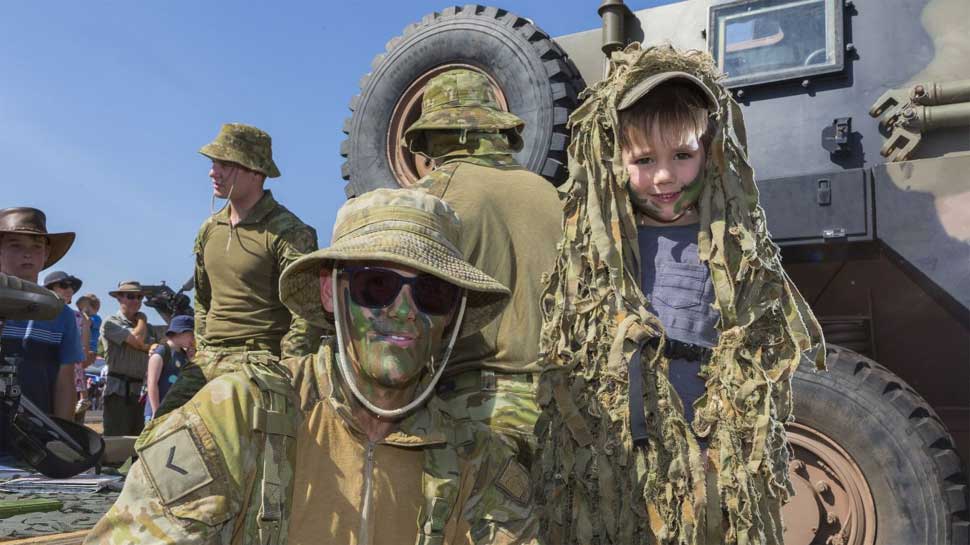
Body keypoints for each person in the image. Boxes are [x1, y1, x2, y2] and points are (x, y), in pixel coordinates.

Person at [86, 189, 537, 544]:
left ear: (451, 316)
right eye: (377, 284)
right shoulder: (241, 416)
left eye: (431, 294)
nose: (403, 311)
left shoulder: (476, 460)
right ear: (330, 291)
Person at [533, 44, 826, 544]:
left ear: (709, 151)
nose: (664, 176)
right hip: (622, 466)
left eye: (682, 156)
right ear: (615, 160)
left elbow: (762, 354)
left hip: (712, 459)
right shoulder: (594, 253)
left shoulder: (737, 248)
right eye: (644, 160)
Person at [403, 69, 562, 461]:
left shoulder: (432, 196)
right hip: (560, 411)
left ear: (433, 136)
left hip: (471, 417)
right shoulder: (551, 194)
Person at [154, 123, 321, 420]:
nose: (213, 172)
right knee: (157, 438)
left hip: (260, 362)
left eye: (226, 164)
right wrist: (203, 349)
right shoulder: (209, 229)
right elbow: (203, 300)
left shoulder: (289, 232)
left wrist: (288, 369)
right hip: (208, 360)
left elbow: (306, 313)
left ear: (256, 171)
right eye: (213, 163)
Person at [0, 208, 82, 431]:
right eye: (15, 245)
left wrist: (62, 436)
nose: (27, 254)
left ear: (46, 253)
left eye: (36, 247)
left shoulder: (61, 314)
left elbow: (64, 383)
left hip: (34, 437)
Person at [101, 280, 157, 436]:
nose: (136, 301)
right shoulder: (111, 322)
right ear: (119, 298)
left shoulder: (151, 329)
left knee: (139, 442)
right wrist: (143, 320)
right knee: (116, 442)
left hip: (141, 392)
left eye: (139, 297)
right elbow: (137, 340)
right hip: (118, 391)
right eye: (131, 296)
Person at [43, 271, 95, 422]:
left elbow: (82, 353)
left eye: (72, 286)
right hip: (43, 378)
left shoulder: (80, 318)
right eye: (63, 285)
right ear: (49, 289)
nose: (69, 289)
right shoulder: (36, 313)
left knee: (70, 428)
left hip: (72, 382)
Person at [144, 315, 194, 422]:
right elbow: (152, 383)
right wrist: (156, 411)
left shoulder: (183, 355)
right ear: (181, 332)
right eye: (191, 334)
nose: (193, 339)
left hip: (174, 412)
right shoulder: (161, 352)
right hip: (158, 411)